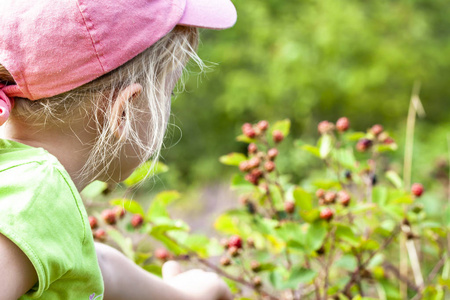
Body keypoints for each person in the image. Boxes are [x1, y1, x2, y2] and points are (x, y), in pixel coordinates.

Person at [0, 0, 236, 299]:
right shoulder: (38, 194)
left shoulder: (28, 194)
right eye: (169, 90)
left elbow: (94, 265)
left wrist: (184, 296)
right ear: (124, 111)